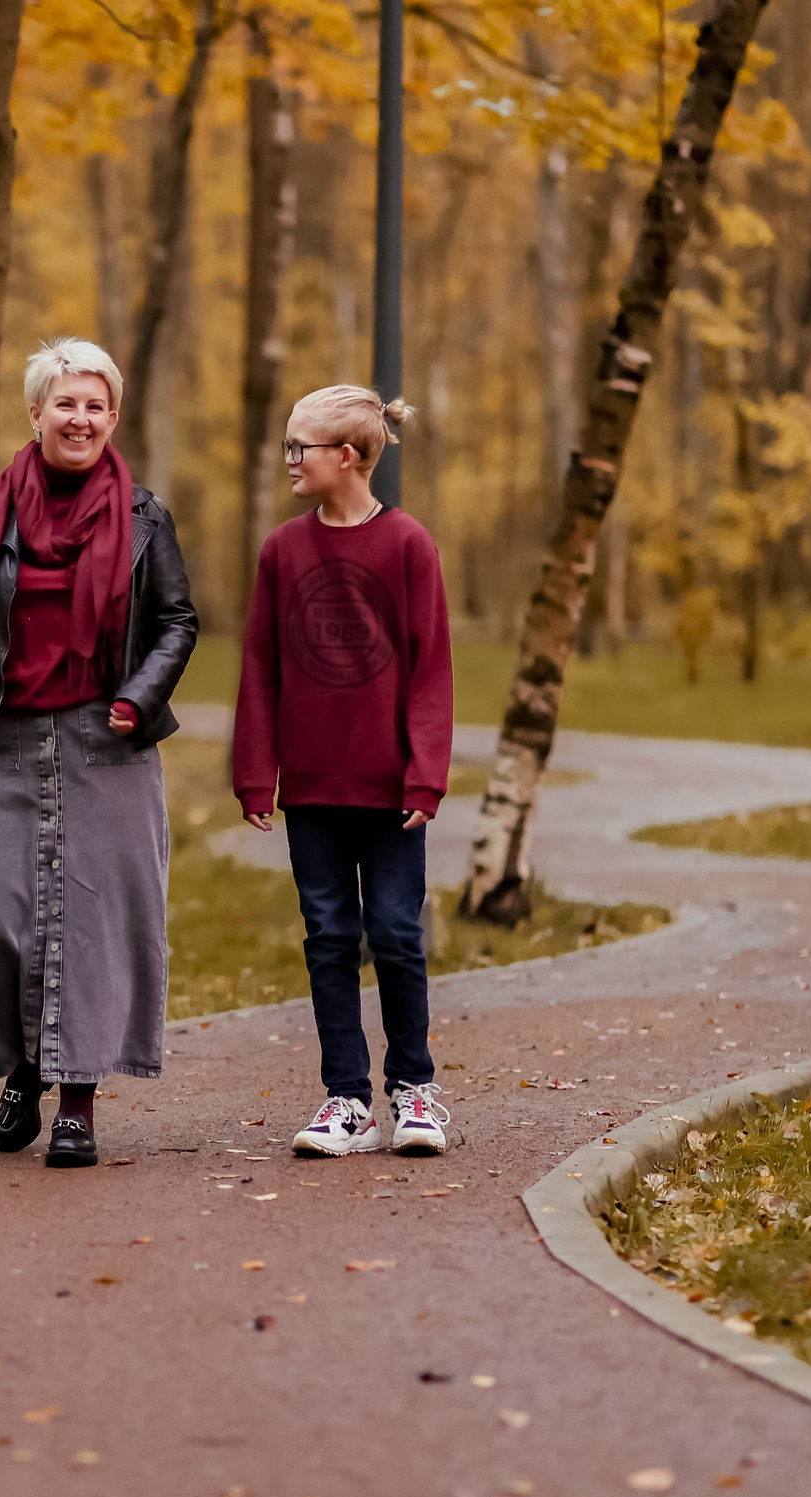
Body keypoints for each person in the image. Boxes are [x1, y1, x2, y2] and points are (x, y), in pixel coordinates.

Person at [0, 336, 197, 1168]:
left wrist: (137, 695)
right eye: (64, 403)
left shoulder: (146, 516)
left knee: (93, 924)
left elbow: (177, 621)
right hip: (0, 737)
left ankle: (75, 1100)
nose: (79, 418)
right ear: (35, 412)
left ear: (112, 417)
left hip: (104, 740)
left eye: (94, 405)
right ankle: (23, 1068)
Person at [231, 385, 455, 1158]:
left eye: (302, 447)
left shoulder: (408, 546)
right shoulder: (282, 551)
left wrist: (427, 775)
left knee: (395, 933)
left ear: (347, 457)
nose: (289, 459)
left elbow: (431, 669)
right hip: (314, 791)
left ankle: (414, 1089)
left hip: (392, 791)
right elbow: (259, 666)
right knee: (328, 936)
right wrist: (256, 771)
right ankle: (347, 1099)